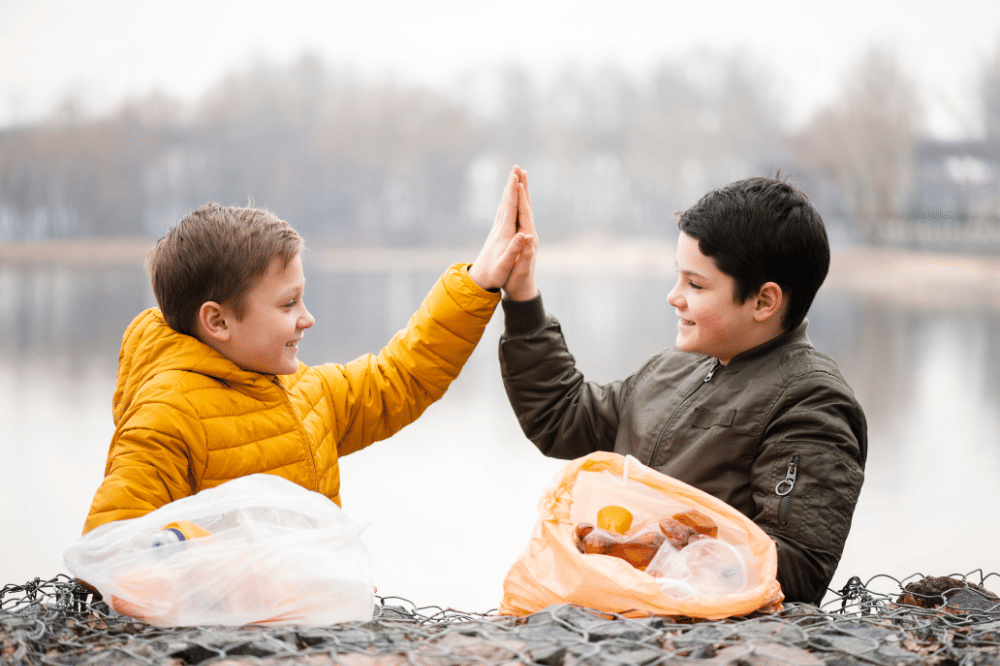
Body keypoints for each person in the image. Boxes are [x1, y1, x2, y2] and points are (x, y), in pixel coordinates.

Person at [83, 166, 535, 534]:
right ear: (217, 321)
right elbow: (111, 548)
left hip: (312, 632)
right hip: (221, 643)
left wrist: (479, 280)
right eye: (288, 304)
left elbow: (402, 377)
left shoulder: (307, 392)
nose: (307, 318)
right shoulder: (165, 419)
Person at [498, 174, 867, 605]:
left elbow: (797, 569)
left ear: (764, 302)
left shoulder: (813, 402)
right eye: (679, 277)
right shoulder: (672, 368)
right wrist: (521, 294)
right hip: (616, 618)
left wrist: (649, 549)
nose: (674, 297)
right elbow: (561, 417)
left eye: (696, 285)